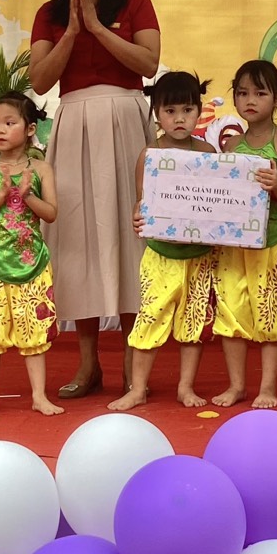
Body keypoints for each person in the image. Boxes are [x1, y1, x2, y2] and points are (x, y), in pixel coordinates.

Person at [28, 0, 160, 399]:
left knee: (130, 236)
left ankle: (131, 361)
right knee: (77, 237)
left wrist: (98, 27)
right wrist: (71, 29)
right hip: (75, 125)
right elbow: (40, 80)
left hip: (127, 122)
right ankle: (88, 364)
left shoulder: (136, 2)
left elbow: (148, 64)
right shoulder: (49, 11)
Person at [109, 72, 218, 411]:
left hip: (199, 255)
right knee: (149, 319)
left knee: (194, 323)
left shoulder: (208, 152)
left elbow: (218, 202)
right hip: (160, 255)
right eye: (170, 111)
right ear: (157, 113)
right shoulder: (150, 154)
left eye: (187, 110)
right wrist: (137, 216)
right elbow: (141, 202)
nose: (179, 118)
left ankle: (186, 387)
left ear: (199, 111)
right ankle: (138, 388)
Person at [0, 92, 62, 420]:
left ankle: (39, 396)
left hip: (32, 264)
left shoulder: (42, 169)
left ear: (30, 128)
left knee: (34, 333)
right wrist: (3, 193)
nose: (0, 130)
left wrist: (28, 195)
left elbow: (51, 214)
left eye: (9, 123)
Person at [211, 60, 277, 409]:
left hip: (273, 242)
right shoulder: (232, 145)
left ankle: (268, 387)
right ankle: (236, 385)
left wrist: (276, 183)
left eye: (260, 93)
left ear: (276, 99)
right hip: (233, 246)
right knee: (231, 311)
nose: (250, 100)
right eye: (243, 93)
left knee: (272, 313)